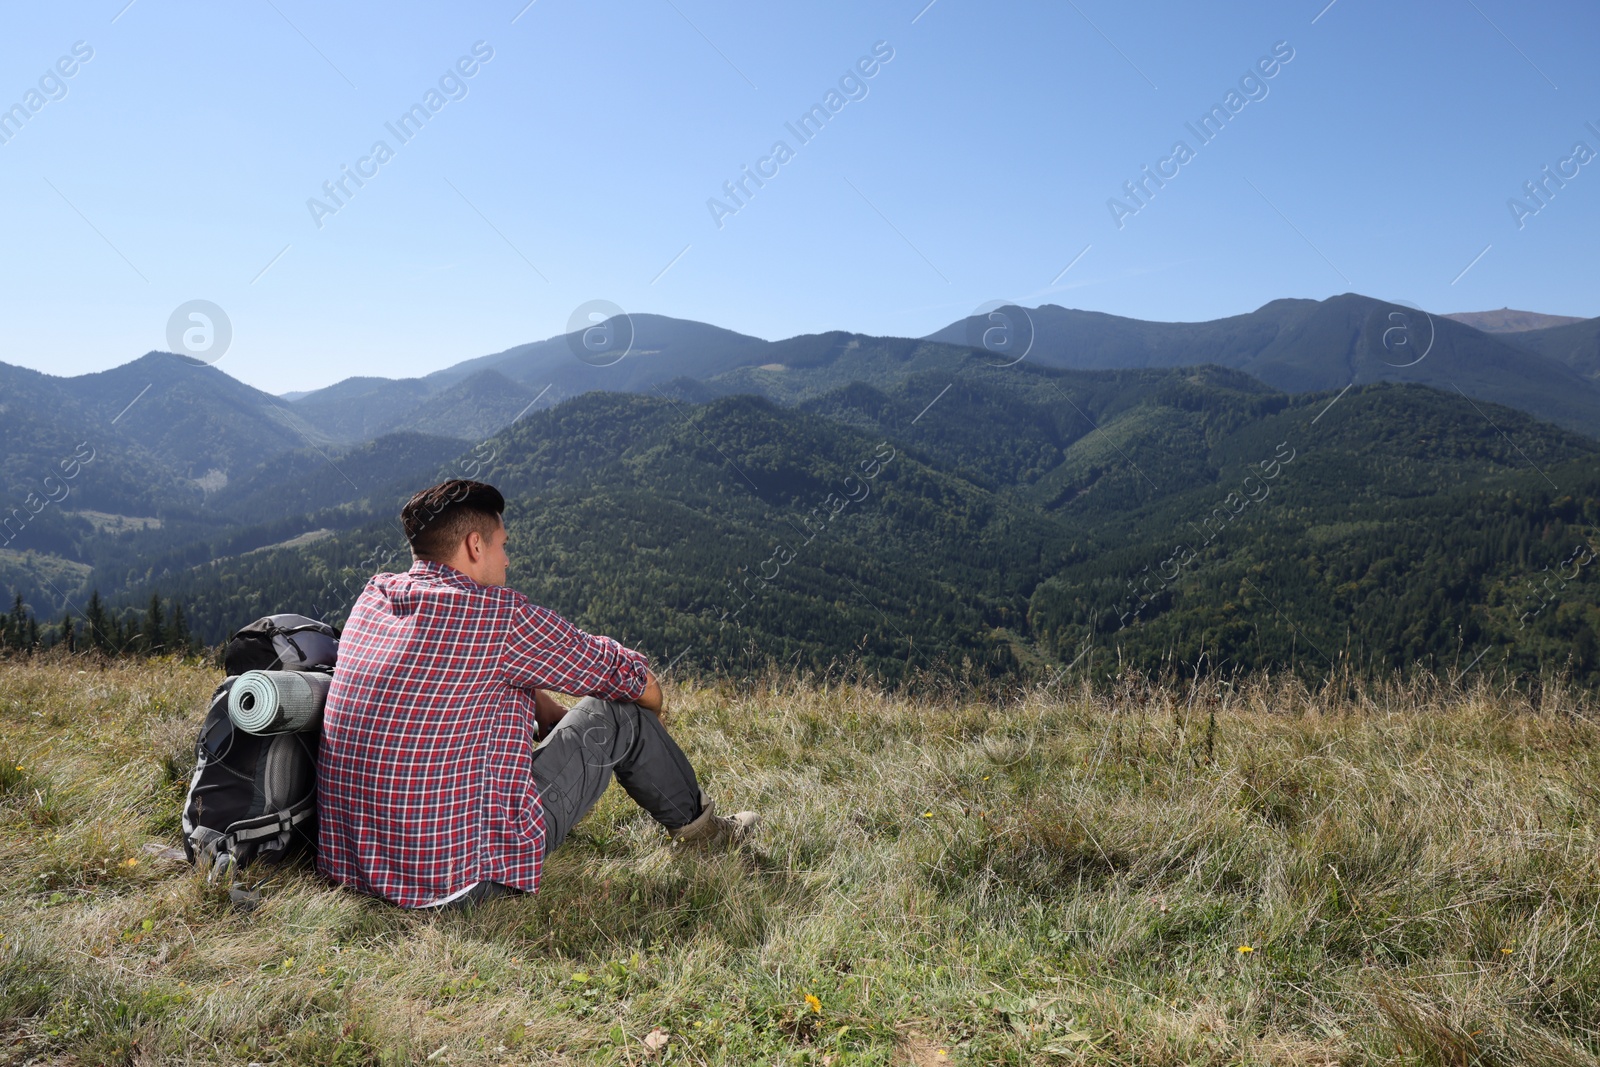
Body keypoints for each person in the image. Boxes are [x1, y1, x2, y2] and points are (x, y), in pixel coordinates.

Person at [316, 479, 758, 909]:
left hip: (352, 869)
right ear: (475, 546)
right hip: (456, 883)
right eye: (501, 545)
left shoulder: (374, 597)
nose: (506, 559)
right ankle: (707, 835)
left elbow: (461, 673)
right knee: (619, 710)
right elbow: (628, 677)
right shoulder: (496, 616)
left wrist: (537, 701)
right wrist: (652, 713)